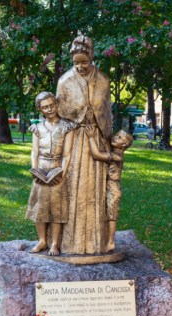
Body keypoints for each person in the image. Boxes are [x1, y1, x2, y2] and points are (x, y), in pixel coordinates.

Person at [56, 35, 113, 255]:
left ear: (91, 57)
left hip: (96, 139)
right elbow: (58, 115)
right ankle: (69, 243)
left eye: (84, 62)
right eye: (75, 63)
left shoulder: (104, 81)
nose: (80, 67)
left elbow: (106, 113)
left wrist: (107, 141)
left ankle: (95, 243)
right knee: (73, 187)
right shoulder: (64, 81)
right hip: (74, 139)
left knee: (95, 191)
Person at [26, 92, 75, 256]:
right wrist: (35, 170)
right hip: (41, 168)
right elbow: (34, 152)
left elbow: (67, 154)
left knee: (56, 209)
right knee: (40, 208)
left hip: (57, 168)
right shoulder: (37, 128)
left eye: (52, 105)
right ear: (40, 109)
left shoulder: (66, 127)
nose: (49, 109)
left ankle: (54, 243)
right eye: (45, 107)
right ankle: (42, 240)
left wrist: (62, 172)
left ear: (56, 104)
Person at [84, 126, 133, 252]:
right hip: (108, 185)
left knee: (112, 214)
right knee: (107, 213)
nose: (116, 137)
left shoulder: (118, 156)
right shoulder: (114, 150)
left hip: (113, 187)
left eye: (120, 137)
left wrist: (90, 138)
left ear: (124, 145)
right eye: (117, 134)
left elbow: (96, 155)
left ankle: (111, 241)